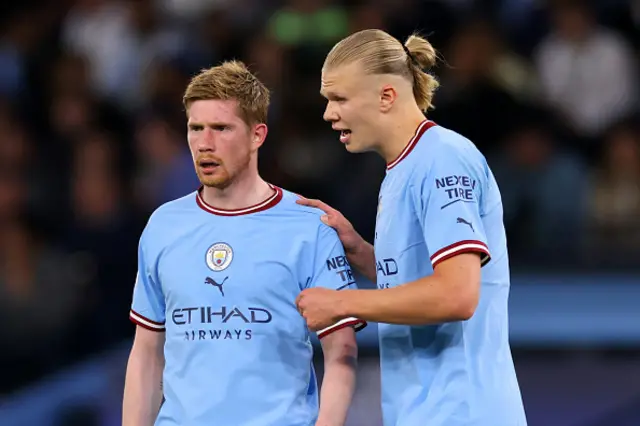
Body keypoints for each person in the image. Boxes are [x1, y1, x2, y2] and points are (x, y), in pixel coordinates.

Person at [295, 29, 528, 426]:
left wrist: (341, 303)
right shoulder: (404, 169)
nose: (328, 113)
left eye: (339, 99)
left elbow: (457, 295)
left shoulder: (443, 159)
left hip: (463, 412)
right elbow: (419, 279)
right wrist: (365, 255)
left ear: (386, 96)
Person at [122, 60, 366, 426]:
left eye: (221, 128)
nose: (205, 143)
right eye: (196, 128)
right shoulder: (163, 225)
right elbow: (147, 351)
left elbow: (341, 349)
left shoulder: (307, 225)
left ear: (257, 135)